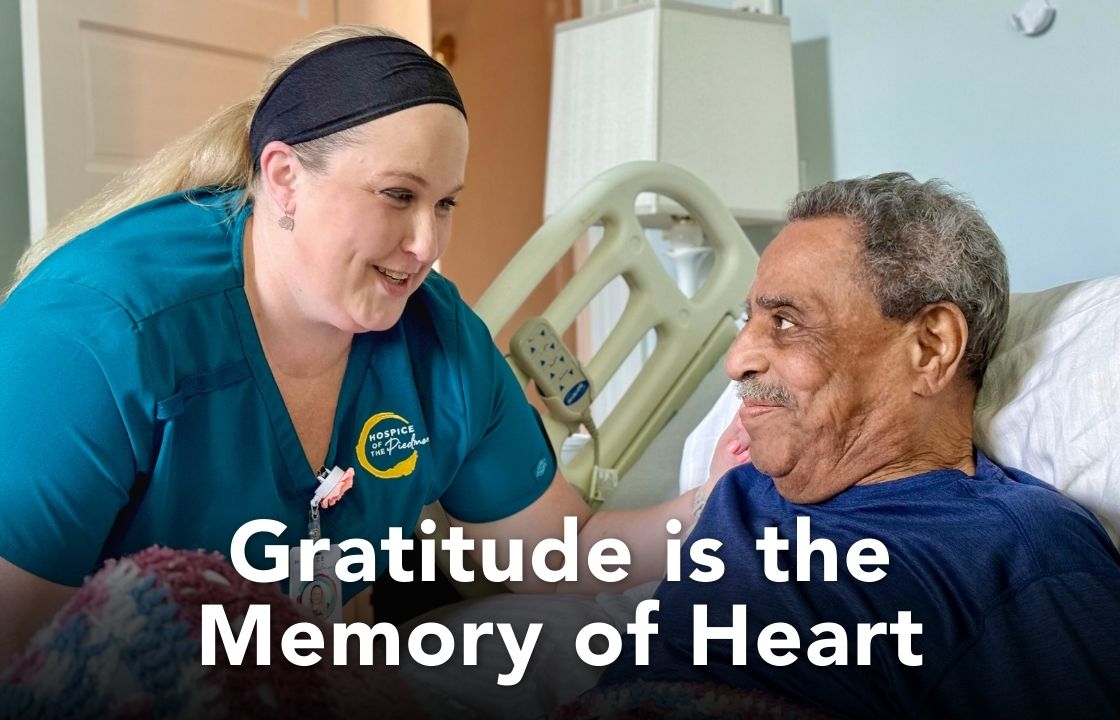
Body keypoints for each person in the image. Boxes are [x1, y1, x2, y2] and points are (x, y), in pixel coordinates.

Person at [0, 25, 718, 669]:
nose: (427, 246)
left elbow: (565, 554)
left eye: (445, 204)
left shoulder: (439, 344)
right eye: (398, 196)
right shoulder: (96, 337)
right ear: (284, 178)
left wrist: (719, 504)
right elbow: (16, 655)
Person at [598, 173, 1120, 718]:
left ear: (931, 348)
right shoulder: (742, 481)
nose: (737, 360)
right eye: (746, 320)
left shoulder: (1013, 553)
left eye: (785, 321)